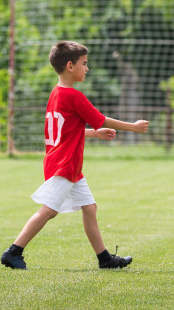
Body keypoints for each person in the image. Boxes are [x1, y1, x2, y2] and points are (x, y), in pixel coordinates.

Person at [1, 41, 149, 270]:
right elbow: (101, 118)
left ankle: (105, 258)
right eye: (84, 63)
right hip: (64, 164)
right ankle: (14, 251)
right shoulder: (74, 96)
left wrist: (94, 134)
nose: (87, 68)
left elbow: (67, 131)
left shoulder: (56, 93)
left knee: (89, 207)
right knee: (49, 211)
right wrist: (134, 126)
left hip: (63, 162)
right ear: (70, 66)